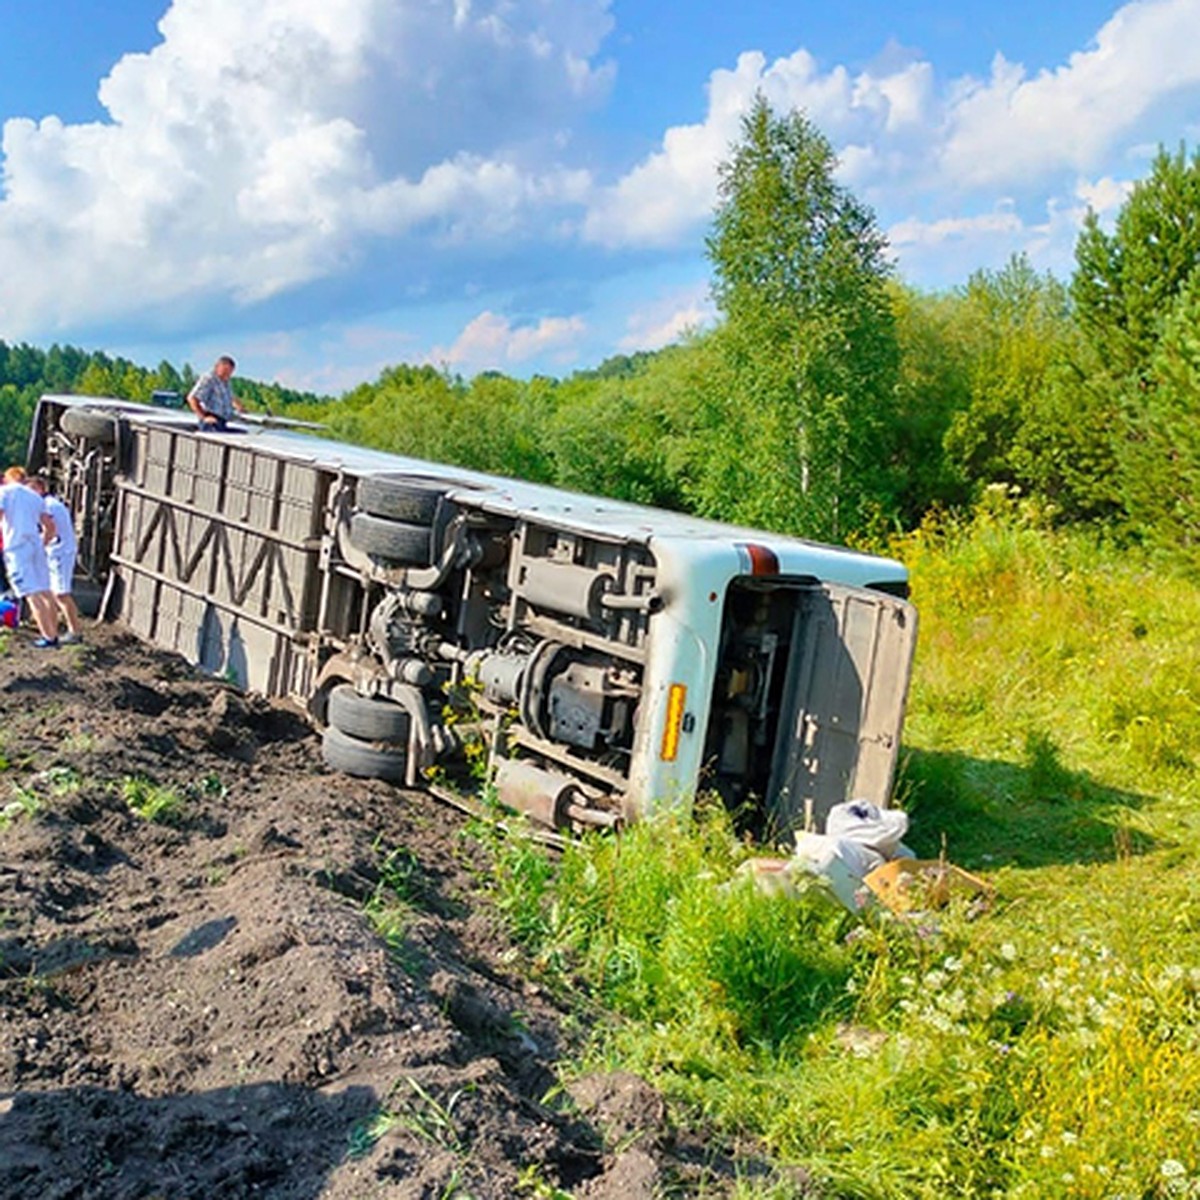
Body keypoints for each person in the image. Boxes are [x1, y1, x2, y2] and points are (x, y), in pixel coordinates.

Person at [0, 466, 60, 647]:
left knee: (30, 594)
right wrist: (42, 544)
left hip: (16, 547)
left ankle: (47, 637)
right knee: (45, 591)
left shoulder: (4, 493)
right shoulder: (35, 497)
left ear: (8, 479)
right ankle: (54, 632)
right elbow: (50, 527)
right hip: (35, 544)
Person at [28, 475, 82, 644]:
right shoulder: (49, 504)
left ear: (40, 489)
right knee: (51, 592)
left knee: (61, 594)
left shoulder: (47, 506)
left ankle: (75, 632)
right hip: (56, 551)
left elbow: (49, 530)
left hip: (61, 552)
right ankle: (51, 627)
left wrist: (38, 548)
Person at [187, 354, 246, 431]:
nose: (227, 375)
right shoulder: (209, 379)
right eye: (225, 371)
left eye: (230, 373)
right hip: (212, 423)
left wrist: (239, 407)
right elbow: (192, 398)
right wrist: (203, 417)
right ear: (217, 367)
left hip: (223, 421)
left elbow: (230, 397)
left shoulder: (226, 381)